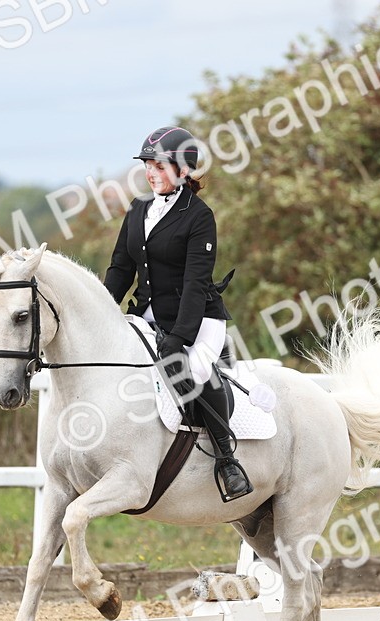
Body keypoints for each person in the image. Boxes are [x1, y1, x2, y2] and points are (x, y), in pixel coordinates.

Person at [103, 125, 253, 502]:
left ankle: (226, 458)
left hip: (197, 320)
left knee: (191, 368)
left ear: (183, 171)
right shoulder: (138, 210)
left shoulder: (199, 217)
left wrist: (179, 338)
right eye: (148, 166)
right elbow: (121, 269)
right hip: (147, 315)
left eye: (159, 166)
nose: (151, 173)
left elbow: (195, 282)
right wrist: (105, 313)